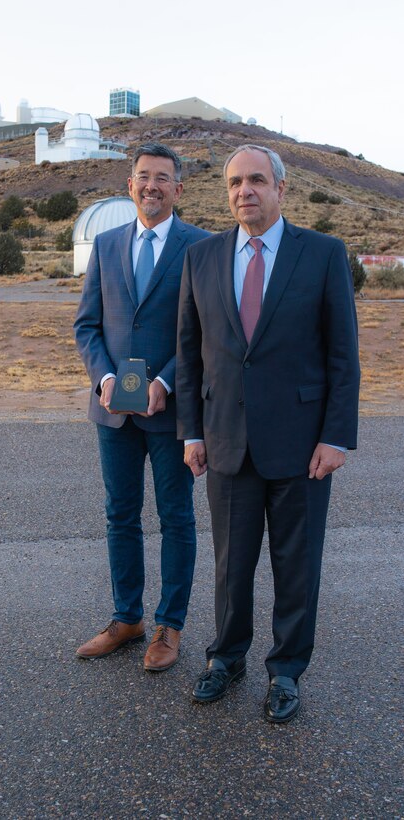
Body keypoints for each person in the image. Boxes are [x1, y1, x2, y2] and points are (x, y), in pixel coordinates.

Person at [176, 144, 360, 721]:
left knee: (296, 564)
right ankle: (226, 659)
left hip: (303, 446)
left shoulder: (324, 254)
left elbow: (342, 356)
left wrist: (336, 437)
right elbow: (188, 356)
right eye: (234, 182)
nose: (243, 191)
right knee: (231, 563)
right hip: (225, 439)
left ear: (282, 189)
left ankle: (285, 671)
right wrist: (191, 433)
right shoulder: (201, 257)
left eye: (256, 180)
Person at [74, 143, 209, 672]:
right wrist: (106, 377)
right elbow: (87, 325)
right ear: (129, 184)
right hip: (114, 410)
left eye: (163, 178)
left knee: (176, 518)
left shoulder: (200, 246)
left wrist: (169, 382)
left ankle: (168, 627)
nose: (151, 185)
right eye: (143, 176)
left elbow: (203, 329)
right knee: (120, 515)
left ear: (178, 189)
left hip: (171, 412)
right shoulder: (106, 245)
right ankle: (126, 618)